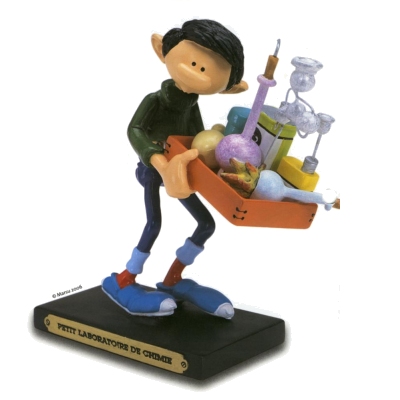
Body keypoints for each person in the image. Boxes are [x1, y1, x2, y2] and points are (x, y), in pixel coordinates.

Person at [102, 19, 247, 318]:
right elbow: (134, 130)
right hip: (153, 170)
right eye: (194, 62)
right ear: (162, 50)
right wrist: (156, 158)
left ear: (230, 88)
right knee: (154, 224)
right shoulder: (155, 100)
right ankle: (124, 278)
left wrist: (216, 148)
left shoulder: (192, 106)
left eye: (208, 69)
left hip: (183, 173)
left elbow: (196, 138)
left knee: (206, 224)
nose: (197, 72)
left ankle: (173, 278)